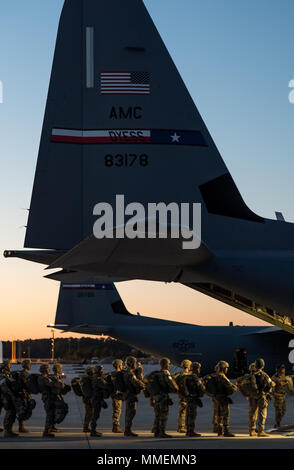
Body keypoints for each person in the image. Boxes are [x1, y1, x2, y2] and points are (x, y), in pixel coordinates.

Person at [209, 360, 237, 437]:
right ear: (223, 368)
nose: (227, 369)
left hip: (216, 397)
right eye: (226, 368)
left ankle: (219, 430)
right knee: (225, 414)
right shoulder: (222, 376)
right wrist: (235, 387)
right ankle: (226, 431)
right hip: (223, 397)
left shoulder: (215, 375)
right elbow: (230, 386)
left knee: (218, 414)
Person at [152, 357, 179, 438]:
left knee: (157, 415)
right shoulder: (166, 374)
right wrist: (176, 389)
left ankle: (156, 431)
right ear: (166, 364)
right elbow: (173, 386)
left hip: (156, 397)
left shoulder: (156, 374)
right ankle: (162, 432)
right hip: (163, 397)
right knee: (164, 415)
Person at [248, 358, 274, 437]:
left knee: (252, 413)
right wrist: (268, 392)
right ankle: (261, 431)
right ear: (262, 366)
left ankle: (252, 430)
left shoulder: (251, 375)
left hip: (252, 397)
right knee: (262, 413)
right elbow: (271, 384)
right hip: (262, 397)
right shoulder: (264, 375)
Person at [123, 356, 145, 437]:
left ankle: (127, 430)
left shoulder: (126, 371)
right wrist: (140, 374)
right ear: (132, 363)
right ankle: (127, 431)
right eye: (135, 363)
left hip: (127, 394)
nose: (135, 364)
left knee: (128, 412)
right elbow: (137, 383)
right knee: (131, 412)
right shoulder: (130, 373)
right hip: (131, 395)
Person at [184, 362, 205, 437]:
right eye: (198, 368)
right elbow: (201, 387)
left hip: (189, 397)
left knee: (188, 414)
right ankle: (191, 431)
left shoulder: (187, 376)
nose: (199, 370)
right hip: (194, 398)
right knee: (192, 415)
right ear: (196, 369)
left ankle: (188, 430)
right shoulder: (195, 378)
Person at [49, 363, 71, 433]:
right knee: (55, 411)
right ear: (57, 369)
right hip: (54, 397)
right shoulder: (53, 377)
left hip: (57, 396)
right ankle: (50, 427)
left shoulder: (57, 377)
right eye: (60, 369)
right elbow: (56, 386)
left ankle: (52, 426)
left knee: (57, 411)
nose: (61, 370)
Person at [0, 360, 18, 438]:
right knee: (10, 412)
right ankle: (7, 431)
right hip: (4, 397)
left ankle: (8, 430)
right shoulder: (3, 375)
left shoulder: (6, 375)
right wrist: (12, 395)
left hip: (3, 396)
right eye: (9, 365)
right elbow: (4, 387)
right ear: (5, 366)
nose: (10, 367)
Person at [90, 365, 109, 437]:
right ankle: (93, 431)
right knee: (95, 415)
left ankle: (93, 430)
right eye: (101, 370)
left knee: (95, 415)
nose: (102, 371)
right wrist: (107, 380)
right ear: (98, 371)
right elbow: (105, 385)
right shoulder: (98, 379)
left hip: (96, 398)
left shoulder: (95, 378)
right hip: (97, 399)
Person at [38, 364, 56, 438]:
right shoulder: (43, 378)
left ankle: (48, 430)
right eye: (48, 369)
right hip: (47, 397)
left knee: (51, 414)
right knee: (49, 414)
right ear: (45, 370)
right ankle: (46, 432)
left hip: (48, 397)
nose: (49, 370)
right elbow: (51, 384)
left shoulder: (44, 377)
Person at [15, 359, 33, 433]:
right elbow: (26, 384)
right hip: (23, 394)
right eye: (29, 364)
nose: (30, 366)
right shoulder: (24, 374)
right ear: (26, 365)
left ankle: (21, 427)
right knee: (23, 410)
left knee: (23, 410)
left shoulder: (22, 373)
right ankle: (21, 427)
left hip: (22, 394)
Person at [174, 359, 192, 433]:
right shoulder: (187, 375)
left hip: (181, 394)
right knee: (185, 411)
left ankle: (180, 426)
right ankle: (182, 427)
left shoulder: (179, 374)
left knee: (182, 410)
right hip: (186, 395)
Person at [108, 359, 124, 433]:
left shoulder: (112, 373)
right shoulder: (118, 374)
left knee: (117, 410)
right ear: (119, 365)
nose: (122, 366)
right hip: (117, 395)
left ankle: (116, 426)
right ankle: (115, 427)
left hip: (114, 394)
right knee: (117, 411)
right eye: (121, 364)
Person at [271, 364, 289, 429]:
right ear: (278, 370)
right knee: (278, 411)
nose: (284, 370)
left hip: (283, 396)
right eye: (282, 369)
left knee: (283, 410)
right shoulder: (274, 378)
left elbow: (285, 384)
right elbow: (271, 389)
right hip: (277, 397)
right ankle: (277, 424)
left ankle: (278, 422)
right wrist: (274, 395)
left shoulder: (283, 376)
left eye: (284, 368)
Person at [80, 366, 95, 433]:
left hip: (86, 399)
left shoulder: (84, 379)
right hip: (89, 399)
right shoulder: (89, 379)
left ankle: (86, 427)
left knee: (89, 413)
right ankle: (86, 427)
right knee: (90, 413)